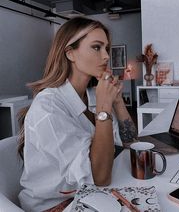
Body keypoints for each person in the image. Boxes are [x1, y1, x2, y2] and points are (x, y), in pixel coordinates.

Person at [17, 17, 138, 212]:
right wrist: (104, 107)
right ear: (70, 53)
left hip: (88, 194)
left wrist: (117, 102)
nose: (106, 56)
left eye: (106, 48)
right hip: (53, 204)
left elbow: (130, 143)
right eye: (97, 47)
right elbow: (100, 176)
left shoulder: (91, 94)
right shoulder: (48, 106)